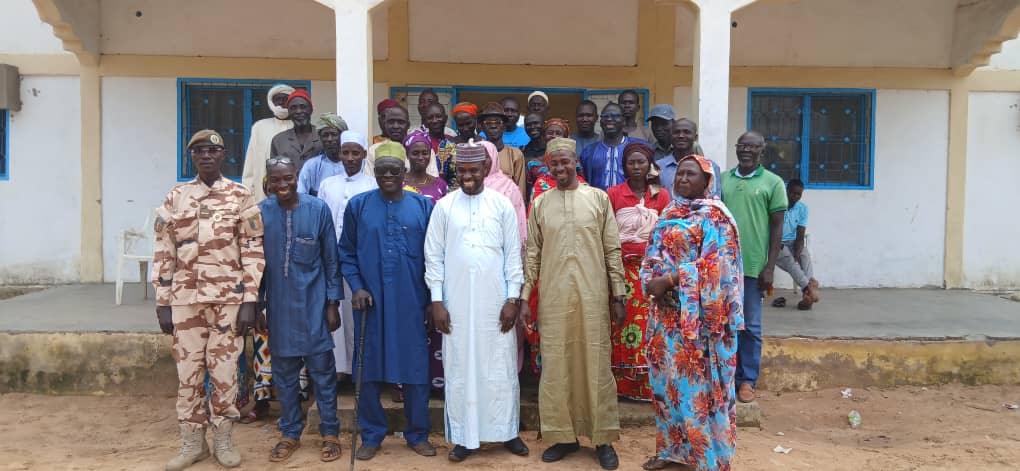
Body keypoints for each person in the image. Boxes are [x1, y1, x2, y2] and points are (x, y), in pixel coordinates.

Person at [153, 129, 265, 471]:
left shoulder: (241, 196)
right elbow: (163, 251)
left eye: (212, 152)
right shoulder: (176, 197)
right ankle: (192, 442)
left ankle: (223, 439)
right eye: (199, 152)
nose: (205, 156)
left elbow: (252, 249)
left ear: (223, 156)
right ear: (192, 157)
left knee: (225, 372)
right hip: (185, 300)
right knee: (188, 372)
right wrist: (162, 301)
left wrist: (250, 299)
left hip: (228, 301)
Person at [520, 137, 625, 470]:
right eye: (555, 163)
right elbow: (532, 254)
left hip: (593, 297)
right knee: (557, 367)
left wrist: (618, 293)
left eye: (566, 161)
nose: (561, 167)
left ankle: (602, 438)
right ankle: (564, 437)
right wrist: (525, 296)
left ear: (575, 162)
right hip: (552, 298)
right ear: (548, 166)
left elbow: (612, 249)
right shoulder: (540, 204)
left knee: (595, 364)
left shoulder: (598, 199)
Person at [424, 140, 529, 462]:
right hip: (455, 302)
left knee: (500, 366)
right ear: (456, 171)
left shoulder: (501, 204)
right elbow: (433, 257)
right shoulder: (445, 206)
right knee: (460, 369)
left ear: (486, 170)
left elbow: (514, 256)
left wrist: (513, 299)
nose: (468, 176)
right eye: (463, 170)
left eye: (474, 170)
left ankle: (507, 432)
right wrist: (438, 301)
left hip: (496, 301)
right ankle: (463, 437)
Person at [640, 154, 744, 471]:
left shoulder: (717, 217)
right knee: (668, 386)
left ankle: (707, 457)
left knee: (699, 390)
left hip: (700, 325)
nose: (683, 179)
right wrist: (652, 282)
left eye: (691, 174)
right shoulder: (670, 212)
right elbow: (652, 254)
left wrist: (671, 280)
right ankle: (673, 451)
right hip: (666, 319)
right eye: (680, 173)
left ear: (707, 181)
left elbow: (718, 266)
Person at [339, 146, 437, 461]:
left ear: (404, 172)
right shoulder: (358, 206)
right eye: (383, 171)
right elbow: (347, 252)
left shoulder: (424, 207)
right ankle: (371, 434)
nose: (389, 176)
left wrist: (432, 299)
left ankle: (417, 434)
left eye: (395, 170)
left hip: (412, 302)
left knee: (415, 371)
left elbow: (435, 257)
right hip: (371, 304)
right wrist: (356, 287)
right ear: (375, 173)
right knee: (366, 371)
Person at [258, 158, 343, 463]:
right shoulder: (261, 212)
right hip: (279, 308)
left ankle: (330, 432)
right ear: (268, 181)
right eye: (276, 180)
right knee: (284, 375)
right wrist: (256, 306)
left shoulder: (317, 209)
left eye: (288, 179)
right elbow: (256, 267)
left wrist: (333, 303)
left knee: (323, 374)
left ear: (297, 177)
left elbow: (331, 259)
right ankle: (290, 432)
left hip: (314, 306)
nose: (283, 185)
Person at [721, 131, 788, 404]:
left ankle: (747, 380)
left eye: (752, 146)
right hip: (722, 266)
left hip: (752, 266)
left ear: (763, 150)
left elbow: (777, 229)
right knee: (724, 324)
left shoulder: (773, 183)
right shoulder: (723, 179)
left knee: (750, 325)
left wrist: (769, 267)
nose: (746, 150)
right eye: (742, 145)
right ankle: (725, 378)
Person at [605, 142, 670, 401]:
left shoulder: (661, 196)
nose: (635, 167)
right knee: (620, 323)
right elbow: (608, 233)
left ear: (649, 166)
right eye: (631, 162)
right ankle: (622, 386)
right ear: (624, 166)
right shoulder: (613, 194)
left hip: (650, 271)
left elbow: (666, 234)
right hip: (621, 270)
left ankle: (646, 386)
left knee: (648, 326)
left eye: (640, 162)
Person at [318, 131, 378, 383]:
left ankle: (359, 371)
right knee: (333, 313)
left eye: (356, 153)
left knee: (356, 317)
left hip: (359, 260)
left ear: (364, 155)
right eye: (346, 152)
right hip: (330, 258)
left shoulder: (372, 185)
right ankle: (337, 370)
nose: (350, 158)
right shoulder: (327, 184)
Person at [772, 179, 820, 310]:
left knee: (804, 254)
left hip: (793, 242)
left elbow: (800, 235)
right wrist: (778, 243)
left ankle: (807, 293)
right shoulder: (777, 205)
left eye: (799, 194)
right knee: (789, 259)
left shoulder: (803, 209)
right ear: (787, 191)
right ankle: (808, 289)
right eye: (793, 193)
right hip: (776, 242)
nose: (796, 197)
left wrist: (797, 253)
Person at [242, 83, 295, 201]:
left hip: (292, 193)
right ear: (272, 102)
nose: (281, 103)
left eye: (285, 99)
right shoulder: (260, 127)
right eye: (277, 99)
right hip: (263, 193)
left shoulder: (299, 126)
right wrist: (248, 191)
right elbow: (251, 162)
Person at [580, 102, 649, 191]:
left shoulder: (639, 148)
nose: (609, 119)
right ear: (600, 122)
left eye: (615, 116)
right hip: (598, 203)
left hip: (631, 203)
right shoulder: (589, 152)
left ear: (624, 121)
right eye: (605, 116)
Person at [656, 118, 718, 199]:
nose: (681, 136)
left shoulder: (710, 167)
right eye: (676, 132)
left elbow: (714, 199)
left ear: (695, 137)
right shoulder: (657, 166)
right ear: (671, 137)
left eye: (687, 132)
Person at [478, 102, 528, 198]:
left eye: (498, 122)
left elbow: (520, 191)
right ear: (482, 127)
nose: (493, 126)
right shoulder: (476, 152)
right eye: (488, 123)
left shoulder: (515, 154)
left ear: (504, 126)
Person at [270, 90, 323, 174]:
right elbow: (273, 172)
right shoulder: (278, 140)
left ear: (311, 110)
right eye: (293, 108)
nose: (298, 111)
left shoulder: (323, 137)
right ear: (289, 112)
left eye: (303, 107)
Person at [297, 113, 349, 196]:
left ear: (343, 136)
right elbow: (301, 196)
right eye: (325, 135)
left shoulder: (353, 164)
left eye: (334, 134)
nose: (329, 139)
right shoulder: (311, 165)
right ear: (320, 138)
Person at [439, 102, 480, 188]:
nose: (465, 128)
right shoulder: (447, 145)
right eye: (461, 125)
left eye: (468, 123)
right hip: (453, 195)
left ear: (475, 119)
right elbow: (442, 175)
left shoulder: (485, 144)